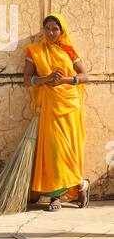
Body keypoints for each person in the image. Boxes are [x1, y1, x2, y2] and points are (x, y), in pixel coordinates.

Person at [24, 13, 90, 211]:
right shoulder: (34, 51)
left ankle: (70, 190)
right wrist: (46, 79)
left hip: (70, 107)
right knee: (55, 151)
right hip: (50, 106)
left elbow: (84, 76)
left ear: (62, 32)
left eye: (55, 29)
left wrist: (64, 80)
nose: (51, 32)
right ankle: (67, 191)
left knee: (70, 150)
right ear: (43, 30)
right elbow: (27, 80)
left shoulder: (68, 50)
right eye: (48, 28)